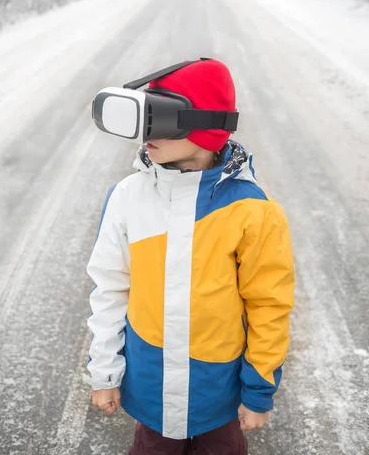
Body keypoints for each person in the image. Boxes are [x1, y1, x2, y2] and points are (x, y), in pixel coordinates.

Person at [84, 58, 295, 454]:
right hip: (151, 390)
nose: (144, 133)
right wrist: (104, 372)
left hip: (219, 393)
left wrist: (258, 390)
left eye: (159, 117)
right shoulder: (129, 197)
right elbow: (110, 290)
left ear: (208, 126)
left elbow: (269, 303)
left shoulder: (252, 210)